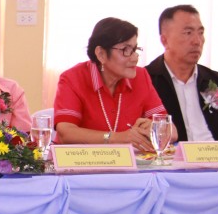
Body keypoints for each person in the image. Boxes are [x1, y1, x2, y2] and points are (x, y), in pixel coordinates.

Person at [54, 17, 170, 149]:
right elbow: (66, 133)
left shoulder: (141, 76)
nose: (135, 58)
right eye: (126, 50)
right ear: (101, 54)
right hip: (81, 158)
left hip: (128, 159)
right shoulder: (73, 78)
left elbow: (171, 131)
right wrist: (117, 137)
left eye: (135, 49)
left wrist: (156, 128)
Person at [146, 5, 218, 142]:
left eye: (200, 33)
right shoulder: (146, 80)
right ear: (164, 40)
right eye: (188, 33)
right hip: (172, 155)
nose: (197, 41)